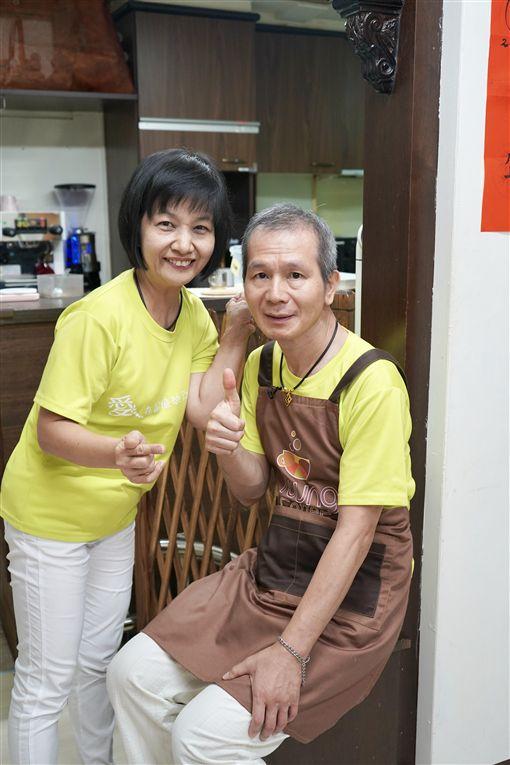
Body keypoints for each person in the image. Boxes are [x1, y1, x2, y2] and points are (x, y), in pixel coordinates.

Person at [107, 203, 415, 764]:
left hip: (354, 596)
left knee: (201, 735)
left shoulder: (372, 383)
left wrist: (290, 653)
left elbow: (356, 533)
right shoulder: (262, 365)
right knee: (130, 674)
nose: (276, 293)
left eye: (296, 275)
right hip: (274, 572)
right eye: (260, 275)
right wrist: (227, 448)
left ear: (331, 285)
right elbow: (251, 492)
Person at [0, 149, 253, 765]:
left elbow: (201, 407)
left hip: (115, 514)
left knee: (97, 663)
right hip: (50, 517)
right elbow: (52, 432)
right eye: (166, 224)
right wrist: (119, 453)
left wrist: (236, 335)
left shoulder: (193, 315)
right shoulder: (97, 319)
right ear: (137, 226)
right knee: (47, 679)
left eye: (200, 228)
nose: (184, 243)